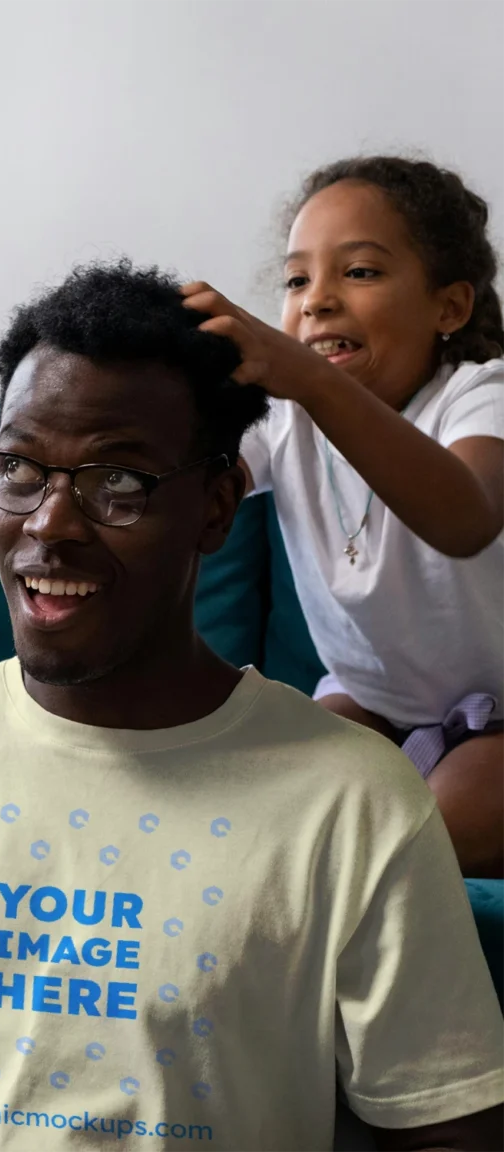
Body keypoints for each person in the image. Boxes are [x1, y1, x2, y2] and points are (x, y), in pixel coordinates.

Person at [0, 261, 503, 1151]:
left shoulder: (352, 802)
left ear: (217, 508)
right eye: (20, 466)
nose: (51, 522)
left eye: (119, 483)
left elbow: (452, 1134)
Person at [182, 156, 504, 879]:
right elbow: (199, 487)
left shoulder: (481, 395)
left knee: (427, 839)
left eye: (358, 272)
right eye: (297, 280)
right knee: (261, 811)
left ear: (448, 308)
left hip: (502, 719)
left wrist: (310, 380)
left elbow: (467, 518)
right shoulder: (283, 416)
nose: (317, 300)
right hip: (373, 701)